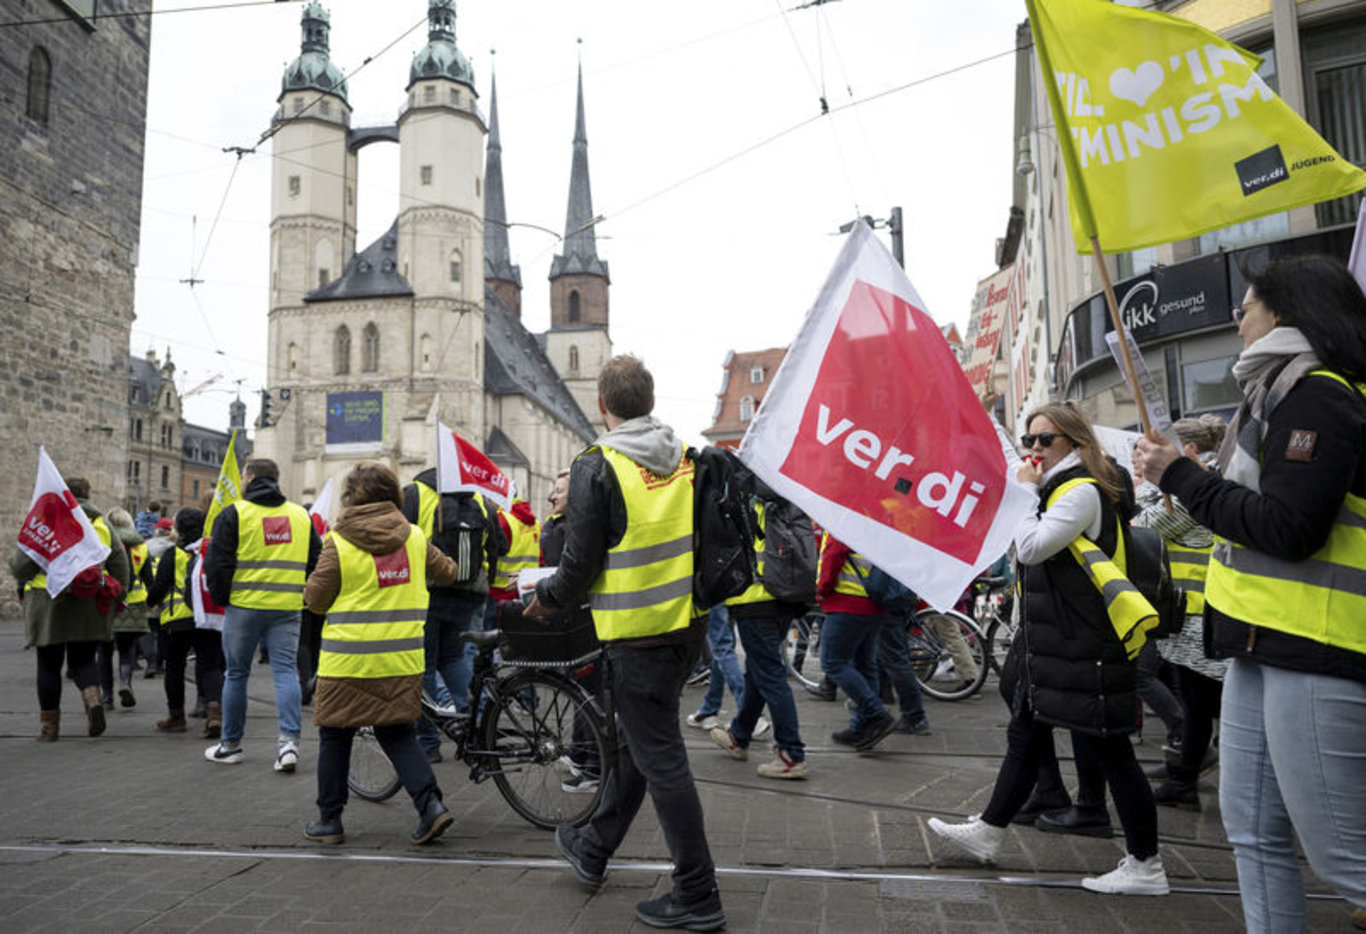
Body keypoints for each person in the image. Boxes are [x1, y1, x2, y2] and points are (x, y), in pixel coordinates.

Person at [1134, 255, 1366, 929]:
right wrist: (1184, 477)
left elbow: (1290, 528)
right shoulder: (1275, 395)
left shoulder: (1320, 394)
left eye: (1249, 304)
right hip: (1260, 642)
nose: (1239, 318)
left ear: (1286, 311)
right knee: (1254, 834)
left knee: (1343, 856)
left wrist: (1181, 475)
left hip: (1315, 643)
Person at [930, 402, 1169, 897]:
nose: (1033, 449)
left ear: (1075, 443)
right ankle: (991, 830)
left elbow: (1033, 547)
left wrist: (1021, 496)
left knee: (1112, 751)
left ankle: (1146, 864)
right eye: (1029, 440)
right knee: (1026, 730)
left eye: (1045, 440)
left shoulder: (1080, 490)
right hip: (1058, 640)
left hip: (1085, 642)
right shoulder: (1057, 488)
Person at [526, 354, 724, 932]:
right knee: (641, 747)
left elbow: (579, 561)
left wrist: (548, 600)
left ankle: (697, 892)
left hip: (636, 635)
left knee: (661, 758)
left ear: (602, 406)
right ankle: (593, 846)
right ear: (651, 401)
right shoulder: (686, 459)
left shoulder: (598, 464)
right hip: (686, 629)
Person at [300, 462, 459, 846]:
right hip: (400, 659)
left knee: (336, 737)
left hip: (347, 660)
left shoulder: (337, 542)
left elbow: (316, 600)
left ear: (352, 498)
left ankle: (329, 821)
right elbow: (450, 572)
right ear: (394, 497)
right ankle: (431, 806)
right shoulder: (415, 537)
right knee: (400, 734)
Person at [1133, 414, 1229, 811]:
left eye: (1149, 451)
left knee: (1206, 705)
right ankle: (1183, 778)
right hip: (1194, 620)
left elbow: (1143, 526)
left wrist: (1148, 486)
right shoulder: (1203, 485)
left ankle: (1185, 779)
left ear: (1186, 451)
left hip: (1199, 620)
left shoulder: (1192, 492)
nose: (1143, 459)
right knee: (1198, 706)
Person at [204, 459, 322, 770]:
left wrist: (222, 598)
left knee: (237, 674)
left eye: (243, 475)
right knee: (285, 673)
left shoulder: (235, 513)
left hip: (244, 606)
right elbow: (317, 560)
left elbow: (217, 564)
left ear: (251, 477)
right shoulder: (300, 515)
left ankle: (230, 746)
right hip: (288, 608)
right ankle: (288, 745)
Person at [11, 475, 129, 741]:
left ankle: (50, 728)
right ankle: (93, 700)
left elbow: (21, 566)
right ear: (88, 494)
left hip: (49, 601)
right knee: (84, 660)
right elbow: (121, 567)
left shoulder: (47, 520)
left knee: (49, 666)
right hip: (89, 602)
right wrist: (116, 595)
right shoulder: (102, 524)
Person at [400, 463, 505, 761]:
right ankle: (479, 731)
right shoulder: (482, 501)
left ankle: (428, 742)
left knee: (426, 665)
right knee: (455, 659)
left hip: (427, 591)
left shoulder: (415, 494)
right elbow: (500, 545)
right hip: (469, 592)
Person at [708, 493, 809, 779]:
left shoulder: (747, 503)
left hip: (755, 601)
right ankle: (739, 736)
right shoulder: (783, 502)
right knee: (758, 671)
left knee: (770, 675)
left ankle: (791, 754)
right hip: (781, 598)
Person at [536, 468, 604, 794]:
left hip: (582, 621)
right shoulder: (564, 526)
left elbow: (569, 575)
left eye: (559, 490)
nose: (552, 496)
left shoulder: (568, 530)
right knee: (585, 691)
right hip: (580, 620)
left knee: (588, 693)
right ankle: (582, 758)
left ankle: (592, 769)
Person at [815, 534, 910, 751]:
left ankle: (876, 715)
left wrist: (822, 589)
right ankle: (861, 726)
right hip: (874, 603)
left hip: (847, 602)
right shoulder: (875, 520)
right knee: (865, 665)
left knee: (833, 662)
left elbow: (834, 553)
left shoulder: (842, 516)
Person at [145, 508, 224, 737]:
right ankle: (214, 716)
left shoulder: (172, 554)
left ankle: (176, 717)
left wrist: (150, 602)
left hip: (177, 621)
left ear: (178, 529)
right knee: (210, 667)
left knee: (174, 668)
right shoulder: (210, 551)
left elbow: (159, 587)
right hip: (208, 619)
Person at [102, 508, 151, 710]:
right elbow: (149, 579)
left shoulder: (103, 543)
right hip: (133, 603)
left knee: (103, 651)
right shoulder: (141, 546)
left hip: (106, 601)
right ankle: (125, 682)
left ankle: (106, 696)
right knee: (126, 649)